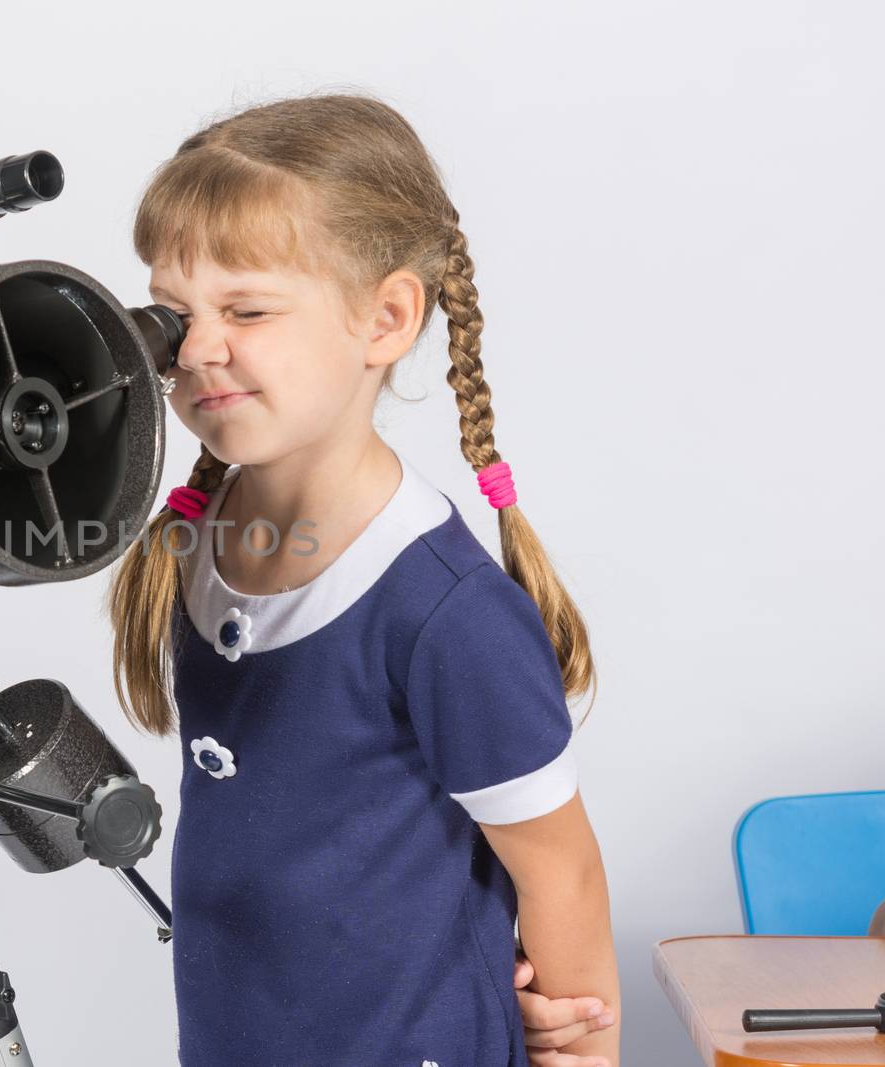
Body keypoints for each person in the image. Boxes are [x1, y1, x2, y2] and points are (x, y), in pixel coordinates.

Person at [106, 92, 621, 1065]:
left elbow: (563, 872)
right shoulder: (199, 544)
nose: (198, 347)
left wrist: (585, 1047)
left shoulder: (440, 610)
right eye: (173, 317)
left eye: (247, 309)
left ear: (383, 319)